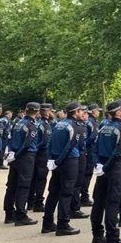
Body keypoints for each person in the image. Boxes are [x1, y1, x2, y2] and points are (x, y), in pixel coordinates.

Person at [90, 100, 121, 243]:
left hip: (102, 167)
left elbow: (94, 149)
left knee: (98, 202)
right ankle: (112, 238)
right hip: (115, 167)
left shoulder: (103, 128)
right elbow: (118, 151)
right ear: (119, 112)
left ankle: (97, 235)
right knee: (113, 203)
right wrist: (106, 167)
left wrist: (98, 165)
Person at [43, 101, 86, 235]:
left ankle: (47, 223)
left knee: (53, 192)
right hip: (69, 161)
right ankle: (63, 224)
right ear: (76, 112)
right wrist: (59, 161)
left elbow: (49, 143)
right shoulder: (75, 126)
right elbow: (71, 146)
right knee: (66, 193)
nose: (83, 114)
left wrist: (52, 159)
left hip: (56, 160)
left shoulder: (58, 124)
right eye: (81, 111)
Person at [4, 102, 40, 226]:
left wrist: (12, 154)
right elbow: (27, 144)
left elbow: (10, 138)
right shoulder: (32, 125)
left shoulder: (17, 123)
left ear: (26, 109)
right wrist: (18, 154)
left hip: (14, 156)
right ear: (37, 112)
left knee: (12, 185)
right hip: (25, 157)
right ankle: (21, 215)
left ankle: (9, 214)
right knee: (23, 186)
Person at [29, 103, 53, 213]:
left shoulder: (36, 123)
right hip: (43, 155)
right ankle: (38, 202)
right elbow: (44, 142)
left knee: (33, 178)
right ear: (48, 112)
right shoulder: (45, 125)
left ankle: (30, 201)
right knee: (41, 179)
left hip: (35, 154)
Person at [69, 106, 90, 220]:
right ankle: (74, 208)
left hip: (75, 155)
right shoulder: (79, 126)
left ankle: (72, 207)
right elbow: (81, 144)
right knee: (77, 183)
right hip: (78, 155)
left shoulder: (67, 124)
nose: (84, 114)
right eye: (83, 112)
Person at [81, 103, 100, 207]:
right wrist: (86, 146)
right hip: (89, 150)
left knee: (85, 174)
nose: (99, 112)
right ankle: (84, 197)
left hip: (87, 150)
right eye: (97, 111)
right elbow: (92, 138)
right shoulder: (92, 122)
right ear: (93, 111)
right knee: (87, 174)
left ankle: (83, 196)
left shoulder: (89, 121)